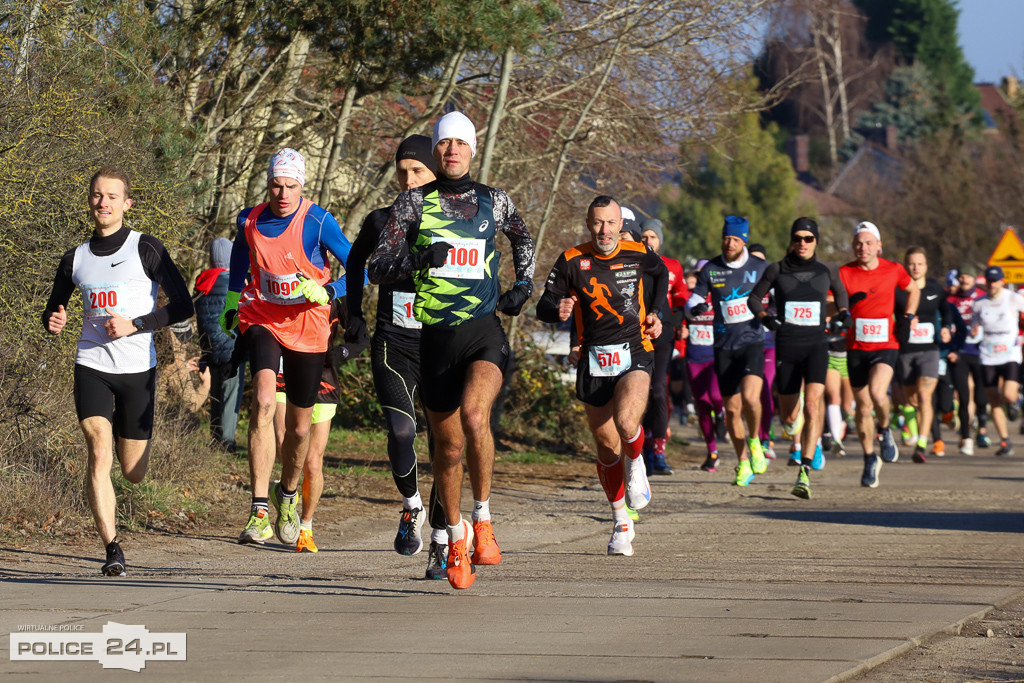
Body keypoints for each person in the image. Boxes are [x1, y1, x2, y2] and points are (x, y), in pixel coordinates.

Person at [367, 112, 536, 590]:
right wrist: (420, 257)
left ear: (472, 149)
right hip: (434, 338)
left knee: (475, 417)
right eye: (445, 145)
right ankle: (453, 537)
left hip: (482, 332)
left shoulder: (494, 200)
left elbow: (522, 236)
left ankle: (483, 519)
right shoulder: (413, 203)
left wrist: (523, 285)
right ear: (436, 152)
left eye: (460, 143)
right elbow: (378, 267)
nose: (452, 151)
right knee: (448, 447)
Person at [42, 166, 194, 576]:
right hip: (91, 363)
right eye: (96, 195)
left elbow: (183, 307)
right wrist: (53, 321)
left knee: (133, 471)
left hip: (137, 369)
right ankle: (112, 548)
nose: (103, 202)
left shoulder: (147, 248)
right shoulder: (75, 259)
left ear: (126, 203)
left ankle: (135, 455)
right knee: (97, 449)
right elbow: (53, 310)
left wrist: (137, 324)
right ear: (89, 200)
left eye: (111, 196)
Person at [221, 148, 357, 547]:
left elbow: (360, 266)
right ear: (268, 184)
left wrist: (328, 289)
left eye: (291, 186)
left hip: (310, 328)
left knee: (298, 428)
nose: (283, 194)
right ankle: (258, 509)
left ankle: (288, 493)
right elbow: (241, 252)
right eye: (276, 185)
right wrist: (232, 298)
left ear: (303, 185)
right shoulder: (250, 217)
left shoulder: (317, 221)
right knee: (263, 400)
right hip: (262, 317)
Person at [536, 195, 667, 555]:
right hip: (593, 359)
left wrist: (656, 313)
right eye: (597, 223)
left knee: (627, 423)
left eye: (611, 223)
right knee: (607, 448)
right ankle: (621, 523)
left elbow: (661, 275)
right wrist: (557, 309)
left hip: (635, 350)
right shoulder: (571, 260)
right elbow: (544, 304)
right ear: (588, 223)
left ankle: (638, 462)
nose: (604, 230)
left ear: (619, 225)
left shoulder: (637, 252)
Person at [345, 135, 449, 578]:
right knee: (402, 430)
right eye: (402, 171)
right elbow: (355, 264)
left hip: (444, 345)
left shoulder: (457, 222)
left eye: (418, 172)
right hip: (394, 342)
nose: (408, 180)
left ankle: (442, 541)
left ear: (436, 174)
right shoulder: (382, 220)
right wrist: (354, 318)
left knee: (447, 447)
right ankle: (411, 507)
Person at [749, 218, 850, 499]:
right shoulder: (777, 269)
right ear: (791, 241)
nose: (803, 243)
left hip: (817, 344)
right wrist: (765, 318)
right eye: (798, 238)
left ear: (816, 241)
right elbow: (753, 299)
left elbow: (841, 293)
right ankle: (793, 422)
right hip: (787, 345)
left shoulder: (827, 269)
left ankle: (804, 470)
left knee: (814, 405)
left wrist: (844, 313)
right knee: (791, 415)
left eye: (809, 238)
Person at [272, 298, 365, 552]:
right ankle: (286, 492)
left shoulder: (338, 295)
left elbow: (361, 338)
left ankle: (306, 527)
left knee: (313, 462)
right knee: (284, 445)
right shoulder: (284, 285)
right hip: (285, 372)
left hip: (324, 378)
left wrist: (342, 352)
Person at [685, 216, 769, 486]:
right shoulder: (711, 268)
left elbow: (778, 295)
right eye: (726, 238)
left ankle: (755, 440)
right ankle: (743, 462)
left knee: (750, 398)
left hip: (753, 341)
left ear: (743, 240)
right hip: (722, 346)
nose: (729, 243)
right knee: (732, 411)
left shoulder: (760, 267)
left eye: (734, 239)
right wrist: (693, 307)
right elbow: (695, 297)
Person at [838, 221, 919, 488]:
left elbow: (913, 289)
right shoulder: (844, 273)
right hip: (856, 347)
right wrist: (843, 308)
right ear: (853, 246)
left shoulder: (893, 269)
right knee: (862, 409)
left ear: (879, 246)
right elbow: (830, 303)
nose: (863, 248)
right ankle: (870, 457)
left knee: (877, 393)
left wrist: (907, 317)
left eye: (869, 243)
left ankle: (885, 430)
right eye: (859, 243)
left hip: (886, 344)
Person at [895, 247, 954, 463]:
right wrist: (904, 323)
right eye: (911, 263)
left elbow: (946, 310)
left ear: (926, 266)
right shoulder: (898, 290)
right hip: (906, 351)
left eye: (919, 263)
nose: (915, 268)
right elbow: (888, 315)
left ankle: (921, 443)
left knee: (925, 395)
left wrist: (946, 326)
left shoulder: (934, 289)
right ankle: (919, 433)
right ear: (905, 265)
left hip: (930, 349)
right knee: (911, 399)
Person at [639, 218, 688, 475]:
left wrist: (680, 337)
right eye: (644, 236)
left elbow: (681, 302)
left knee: (658, 389)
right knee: (641, 392)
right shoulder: (632, 262)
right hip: (636, 333)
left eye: (653, 237)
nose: (648, 241)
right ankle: (643, 446)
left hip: (664, 334)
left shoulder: (673, 266)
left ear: (660, 241)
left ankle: (659, 449)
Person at [194, 237, 244, 451]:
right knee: (231, 395)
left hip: (210, 349)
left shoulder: (203, 283)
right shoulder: (237, 284)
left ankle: (216, 439)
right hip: (232, 349)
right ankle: (227, 442)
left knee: (215, 394)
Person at [970, 266, 1024, 456]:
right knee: (993, 399)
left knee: (1008, 394)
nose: (992, 285)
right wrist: (974, 330)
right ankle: (1005, 441)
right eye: (989, 281)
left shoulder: (1013, 298)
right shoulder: (979, 303)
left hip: (1010, 353)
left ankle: (1015, 401)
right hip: (988, 355)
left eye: (995, 281)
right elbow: (973, 325)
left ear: (1002, 281)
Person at [947, 265, 990, 454]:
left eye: (967, 276)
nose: (964, 280)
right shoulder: (951, 299)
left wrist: (979, 325)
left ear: (974, 278)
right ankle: (966, 437)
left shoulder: (983, 296)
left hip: (981, 351)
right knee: (964, 397)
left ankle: (981, 428)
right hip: (960, 352)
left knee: (981, 397)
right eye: (961, 277)